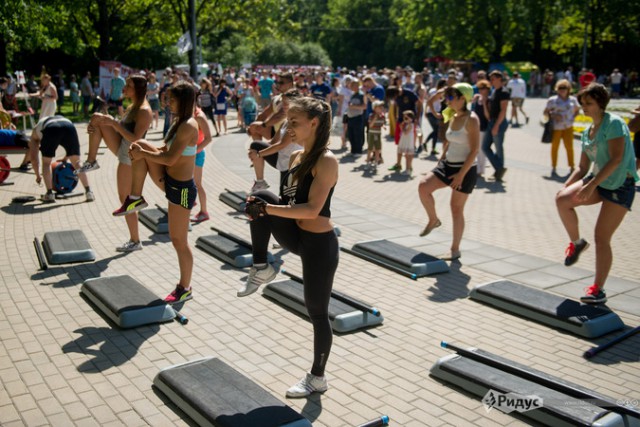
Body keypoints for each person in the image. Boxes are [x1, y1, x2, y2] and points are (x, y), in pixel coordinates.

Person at [239, 96, 339, 398]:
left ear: (314, 124)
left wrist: (267, 211)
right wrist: (261, 208)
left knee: (317, 312)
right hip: (296, 237)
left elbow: (311, 210)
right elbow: (287, 203)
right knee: (262, 197)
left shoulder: (327, 161)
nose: (288, 128)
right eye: (287, 122)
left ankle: (317, 378)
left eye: (294, 123)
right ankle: (262, 267)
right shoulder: (295, 158)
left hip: (320, 246)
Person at [113, 82, 199, 303]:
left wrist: (144, 154)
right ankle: (135, 198)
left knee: (179, 240)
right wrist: (143, 150)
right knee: (138, 145)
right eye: (167, 98)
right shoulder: (178, 122)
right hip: (169, 181)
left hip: (181, 189)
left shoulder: (189, 125)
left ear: (184, 100)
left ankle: (185, 287)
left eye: (171, 99)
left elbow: (170, 159)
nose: (167, 102)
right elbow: (164, 150)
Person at [555, 83, 639, 304]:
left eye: (589, 103)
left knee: (602, 238)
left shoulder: (614, 124)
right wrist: (567, 185)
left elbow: (616, 159)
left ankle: (598, 290)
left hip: (621, 184)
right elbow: (582, 167)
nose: (584, 107)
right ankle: (577, 243)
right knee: (562, 200)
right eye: (582, 103)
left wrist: (590, 186)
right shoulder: (587, 131)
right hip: (599, 181)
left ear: (601, 104)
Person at [78, 74, 153, 253]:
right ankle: (92, 161)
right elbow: (123, 128)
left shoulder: (144, 110)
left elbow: (135, 138)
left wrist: (113, 123)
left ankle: (135, 240)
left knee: (126, 199)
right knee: (97, 118)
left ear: (138, 90)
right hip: (122, 147)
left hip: (130, 157)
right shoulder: (133, 106)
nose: (124, 88)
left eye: (128, 85)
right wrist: (98, 125)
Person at [417, 83, 479, 260]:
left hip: (465, 169)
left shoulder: (472, 119)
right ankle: (433, 220)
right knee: (423, 187)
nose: (447, 101)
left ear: (463, 99)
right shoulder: (452, 114)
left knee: (456, 209)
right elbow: (449, 141)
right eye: (448, 97)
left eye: (451, 97)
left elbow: (474, 150)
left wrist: (460, 175)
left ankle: (455, 249)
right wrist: (440, 160)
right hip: (447, 164)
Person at [28, 116, 95, 203]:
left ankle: (49, 194)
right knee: (77, 162)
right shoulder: (46, 122)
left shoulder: (34, 134)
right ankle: (89, 192)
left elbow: (33, 159)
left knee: (46, 163)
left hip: (51, 128)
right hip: (69, 126)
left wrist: (38, 176)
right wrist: (65, 158)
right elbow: (69, 147)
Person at [247, 89, 303, 192]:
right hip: (282, 159)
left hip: (291, 164)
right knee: (255, 145)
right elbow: (273, 142)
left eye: (286, 104)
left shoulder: (295, 123)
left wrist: (260, 154)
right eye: (282, 103)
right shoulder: (286, 121)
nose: (283, 106)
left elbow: (281, 145)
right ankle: (260, 183)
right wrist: (255, 155)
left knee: (285, 195)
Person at [544, 79, 580, 176]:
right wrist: (554, 115)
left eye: (565, 88)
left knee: (569, 147)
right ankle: (554, 166)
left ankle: (572, 166)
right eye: (560, 88)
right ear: (557, 89)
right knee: (555, 147)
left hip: (568, 126)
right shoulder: (552, 100)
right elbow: (545, 112)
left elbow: (577, 111)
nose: (562, 90)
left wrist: (572, 118)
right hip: (556, 127)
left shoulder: (573, 100)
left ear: (569, 89)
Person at [482, 70, 510, 182]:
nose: (491, 81)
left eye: (493, 79)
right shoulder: (494, 91)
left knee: (498, 148)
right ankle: (499, 168)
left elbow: (503, 110)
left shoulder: (504, 91)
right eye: (490, 79)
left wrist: (497, 125)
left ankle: (499, 172)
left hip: (499, 122)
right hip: (492, 122)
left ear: (499, 78)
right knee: (485, 147)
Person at [247, 72, 293, 141]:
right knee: (254, 126)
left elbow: (280, 115)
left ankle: (261, 150)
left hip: (289, 134)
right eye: (277, 82)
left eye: (281, 83)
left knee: (257, 126)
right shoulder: (276, 98)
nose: (278, 85)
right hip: (276, 131)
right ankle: (256, 149)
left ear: (290, 84)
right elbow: (264, 115)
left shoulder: (294, 97)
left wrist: (263, 125)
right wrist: (251, 127)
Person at [191, 106, 213, 223]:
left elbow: (208, 138)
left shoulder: (199, 116)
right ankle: (188, 204)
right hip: (187, 155)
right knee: (186, 184)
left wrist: (194, 152)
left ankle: (204, 212)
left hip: (196, 155)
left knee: (197, 184)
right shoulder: (186, 112)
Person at [389, 111, 419, 176]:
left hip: (408, 141)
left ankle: (408, 169)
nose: (404, 119)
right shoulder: (407, 124)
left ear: (411, 118)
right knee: (405, 154)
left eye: (406, 118)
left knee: (407, 155)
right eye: (404, 118)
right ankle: (407, 168)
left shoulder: (411, 125)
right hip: (405, 140)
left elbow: (405, 132)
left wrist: (401, 128)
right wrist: (402, 125)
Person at [471, 79, 490, 177]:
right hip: (476, 126)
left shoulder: (489, 100)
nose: (481, 90)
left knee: (481, 149)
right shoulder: (477, 98)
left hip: (484, 127)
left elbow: (488, 116)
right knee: (476, 148)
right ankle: (478, 168)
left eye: (484, 88)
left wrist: (485, 104)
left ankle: (481, 169)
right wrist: (474, 101)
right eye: (480, 88)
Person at [366, 100, 385, 169]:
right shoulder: (371, 115)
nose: (381, 108)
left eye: (381, 107)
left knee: (377, 149)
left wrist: (383, 125)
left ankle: (376, 162)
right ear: (374, 108)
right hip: (372, 134)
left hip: (378, 134)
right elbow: (370, 125)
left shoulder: (382, 116)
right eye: (379, 107)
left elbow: (382, 124)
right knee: (370, 148)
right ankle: (368, 162)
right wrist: (375, 118)